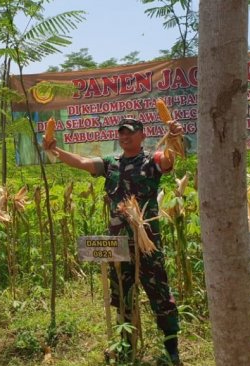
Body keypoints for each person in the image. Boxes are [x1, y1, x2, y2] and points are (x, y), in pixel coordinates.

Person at [43, 117, 182, 364]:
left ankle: (171, 348)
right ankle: (126, 345)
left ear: (142, 135)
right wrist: (54, 149)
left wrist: (173, 138)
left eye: (130, 132)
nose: (124, 136)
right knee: (122, 293)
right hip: (118, 243)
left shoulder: (152, 161)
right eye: (121, 132)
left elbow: (168, 160)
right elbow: (84, 162)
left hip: (147, 241)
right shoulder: (111, 164)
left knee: (159, 293)